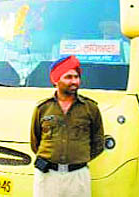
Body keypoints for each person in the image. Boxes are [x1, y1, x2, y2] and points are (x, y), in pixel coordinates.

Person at [30, 55, 104, 197]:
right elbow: (35, 141)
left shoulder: (90, 108)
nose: (74, 81)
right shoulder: (42, 108)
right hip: (47, 175)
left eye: (76, 77)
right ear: (56, 80)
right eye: (68, 77)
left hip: (78, 176)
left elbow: (98, 142)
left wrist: (78, 159)